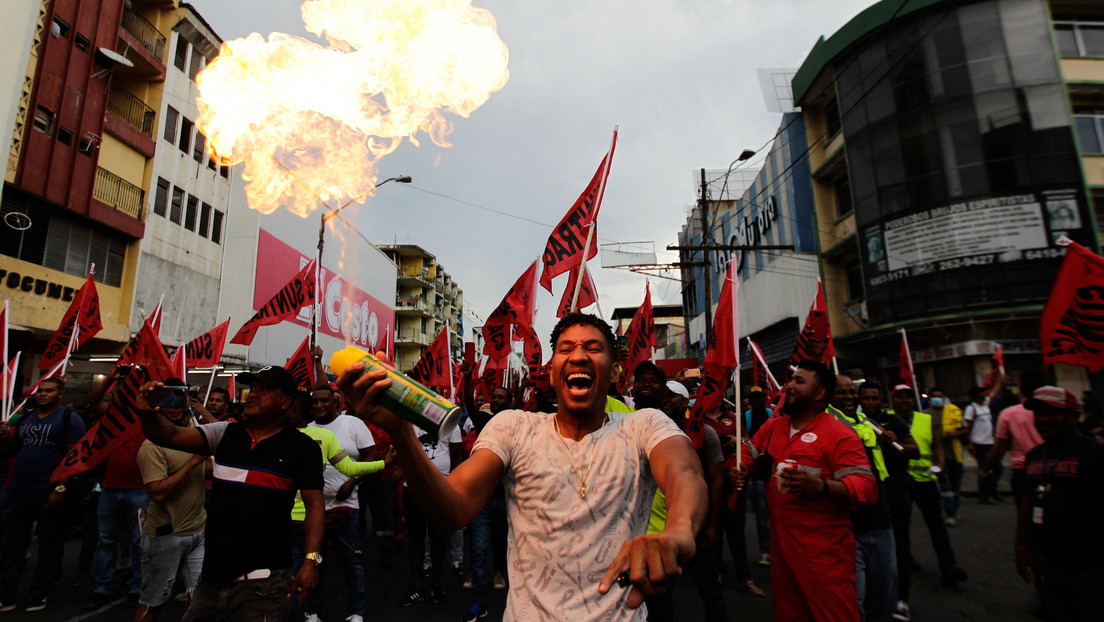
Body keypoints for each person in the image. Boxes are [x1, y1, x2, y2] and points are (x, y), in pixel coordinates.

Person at [338, 312, 707, 621]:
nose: (578, 356)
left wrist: (677, 532)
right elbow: (452, 510)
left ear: (613, 372)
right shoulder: (513, 427)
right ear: (551, 372)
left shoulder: (643, 424)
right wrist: (402, 433)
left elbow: (684, 474)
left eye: (593, 349)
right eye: (566, 349)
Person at [135, 366, 324, 621]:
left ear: (285, 402)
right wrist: (148, 414)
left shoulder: (304, 448)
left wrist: (311, 560)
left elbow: (314, 506)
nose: (252, 395)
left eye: (263, 389)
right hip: (212, 579)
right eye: (252, 389)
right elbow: (167, 434)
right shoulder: (225, 433)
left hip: (264, 585)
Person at [730, 360, 878, 622]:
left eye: (799, 381)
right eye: (791, 380)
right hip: (782, 554)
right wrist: (742, 467)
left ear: (820, 393)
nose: (789, 386)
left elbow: (867, 488)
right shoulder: (775, 427)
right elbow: (749, 453)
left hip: (824, 558)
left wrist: (819, 486)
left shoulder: (839, 434)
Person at [289, 386, 390, 622]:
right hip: (312, 512)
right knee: (315, 560)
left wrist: (352, 482)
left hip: (346, 508)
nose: (319, 406)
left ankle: (356, 611)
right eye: (314, 402)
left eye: (324, 401)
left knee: (351, 562)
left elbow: (370, 456)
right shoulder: (306, 430)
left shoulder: (352, 424)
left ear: (336, 402)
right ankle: (312, 611)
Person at [1015, 386, 1104, 621]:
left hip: (1090, 564)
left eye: (1054, 413)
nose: (1044, 419)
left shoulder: (1094, 453)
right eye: (1039, 413)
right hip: (1049, 563)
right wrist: (1021, 545)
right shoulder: (1034, 456)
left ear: (1074, 416)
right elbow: (1028, 500)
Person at [0, 377, 86, 613]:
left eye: (49, 391)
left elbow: (74, 458)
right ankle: (7, 594)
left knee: (48, 542)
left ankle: (39, 593)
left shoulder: (70, 419)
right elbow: (10, 451)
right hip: (19, 489)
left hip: (47, 490)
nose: (42, 395)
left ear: (60, 394)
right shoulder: (26, 419)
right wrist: (4, 437)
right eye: (40, 391)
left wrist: (60, 488)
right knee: (12, 543)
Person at [646, 380, 729, 621]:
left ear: (685, 402)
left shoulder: (705, 432)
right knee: (661, 598)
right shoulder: (651, 432)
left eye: (672, 396)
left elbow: (716, 480)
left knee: (710, 589)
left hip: (699, 527)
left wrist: (713, 525)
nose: (665, 400)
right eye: (662, 395)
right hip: (662, 530)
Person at [133, 384, 208, 622]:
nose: (174, 407)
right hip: (166, 535)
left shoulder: (195, 435)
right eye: (165, 400)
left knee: (199, 600)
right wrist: (193, 462)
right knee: (152, 604)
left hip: (197, 530)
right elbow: (157, 492)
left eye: (179, 398)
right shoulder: (152, 446)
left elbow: (210, 472)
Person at [889, 385, 968, 609]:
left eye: (907, 397)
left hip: (925, 482)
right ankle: (905, 565)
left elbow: (935, 444)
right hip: (901, 482)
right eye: (900, 397)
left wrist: (940, 463)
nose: (904, 401)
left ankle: (948, 566)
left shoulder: (924, 420)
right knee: (901, 529)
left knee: (937, 526)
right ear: (894, 400)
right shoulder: (888, 422)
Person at [829, 375, 896, 622]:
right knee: (854, 598)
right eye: (841, 392)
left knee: (884, 588)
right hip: (849, 523)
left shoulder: (868, 422)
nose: (849, 397)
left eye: (851, 392)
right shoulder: (826, 423)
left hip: (880, 519)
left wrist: (890, 439)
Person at [858, 382, 917, 622]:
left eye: (875, 398)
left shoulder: (893, 421)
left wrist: (898, 443)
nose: (871, 403)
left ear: (882, 400)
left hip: (898, 490)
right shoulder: (855, 422)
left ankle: (900, 600)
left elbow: (915, 450)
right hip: (874, 495)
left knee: (900, 545)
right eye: (866, 398)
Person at [458, 372, 511, 622]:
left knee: (505, 547)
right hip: (484, 501)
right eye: (495, 397)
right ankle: (478, 603)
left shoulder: (518, 424)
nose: (497, 400)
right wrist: (468, 379)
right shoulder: (484, 422)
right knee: (478, 550)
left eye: (502, 398)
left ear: (510, 403)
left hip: (509, 501)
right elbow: (469, 403)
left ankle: (514, 598)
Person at [980, 374, 1045, 507]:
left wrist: (986, 469)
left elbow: (999, 448)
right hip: (1051, 466)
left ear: (1020, 389)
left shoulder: (1010, 414)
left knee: (1025, 511)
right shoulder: (1051, 410)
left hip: (1023, 471)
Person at [743, 386, 772, 566]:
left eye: (760, 398)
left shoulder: (772, 415)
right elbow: (744, 439)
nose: (757, 402)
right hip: (755, 472)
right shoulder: (746, 417)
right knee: (762, 513)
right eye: (754, 399)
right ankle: (765, 550)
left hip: (772, 469)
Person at [928, 388, 965, 526]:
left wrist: (956, 434)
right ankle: (950, 513)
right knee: (945, 486)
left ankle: (955, 509)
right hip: (937, 457)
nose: (938, 399)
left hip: (954, 454)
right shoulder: (926, 415)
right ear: (930, 399)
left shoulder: (953, 412)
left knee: (956, 486)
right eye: (934, 397)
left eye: (940, 396)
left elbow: (965, 428)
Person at [963, 384, 1002, 504]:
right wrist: (970, 444)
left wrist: (1000, 380)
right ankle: (983, 495)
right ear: (976, 395)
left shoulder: (985, 406)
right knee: (984, 469)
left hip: (989, 442)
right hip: (979, 443)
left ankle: (992, 490)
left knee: (997, 468)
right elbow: (967, 427)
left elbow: (994, 392)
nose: (984, 394)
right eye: (981, 392)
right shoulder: (971, 409)